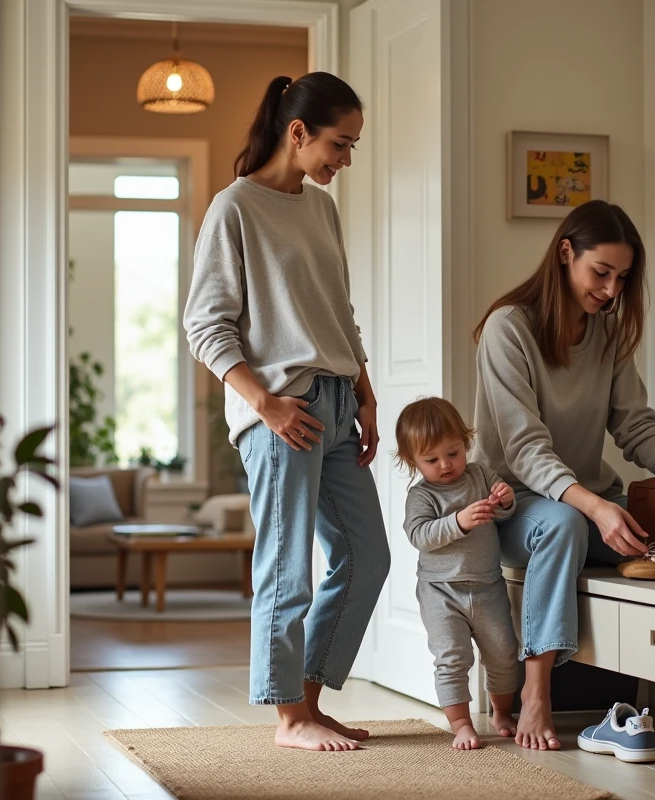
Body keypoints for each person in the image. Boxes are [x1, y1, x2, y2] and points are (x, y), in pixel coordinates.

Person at [471, 200, 655, 751]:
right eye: (602, 273)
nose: (612, 290)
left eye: (622, 278)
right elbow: (524, 449)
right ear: (565, 253)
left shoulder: (609, 334)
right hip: (516, 506)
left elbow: (635, 427)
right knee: (565, 525)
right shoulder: (508, 328)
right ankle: (537, 692)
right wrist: (593, 507)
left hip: (589, 502)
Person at [183, 72, 389, 753]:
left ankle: (310, 701)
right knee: (287, 567)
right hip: (282, 408)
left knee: (367, 557)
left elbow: (339, 311)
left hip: (336, 399)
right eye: (339, 143)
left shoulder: (321, 209)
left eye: (352, 145)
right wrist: (264, 403)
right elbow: (205, 326)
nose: (345, 160)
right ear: (297, 132)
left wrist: (364, 388)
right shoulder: (233, 208)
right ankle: (287, 718)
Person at [396, 397, 519, 751]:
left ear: (465, 443)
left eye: (453, 453)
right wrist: (459, 521)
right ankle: (462, 723)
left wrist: (506, 499)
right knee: (452, 656)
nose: (445, 465)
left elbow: (507, 515)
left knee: (503, 652)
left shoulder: (480, 475)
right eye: (431, 460)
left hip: (487, 586)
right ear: (412, 461)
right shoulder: (421, 495)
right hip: (440, 591)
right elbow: (419, 535)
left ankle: (502, 712)